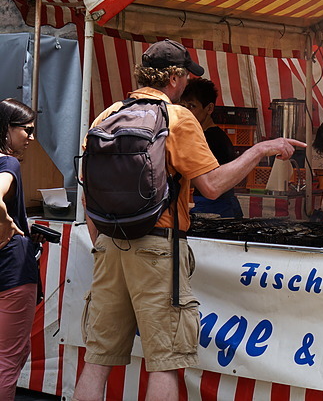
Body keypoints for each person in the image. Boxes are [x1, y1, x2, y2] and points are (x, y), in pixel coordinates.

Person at [73, 39, 304, 401]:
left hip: (109, 247)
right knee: (165, 360)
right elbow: (211, 186)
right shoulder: (178, 118)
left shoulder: (108, 114)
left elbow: (87, 188)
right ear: (176, 77)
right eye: (186, 76)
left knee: (98, 358)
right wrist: (260, 149)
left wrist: (101, 243)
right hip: (158, 248)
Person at [0, 98, 41, 400]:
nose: (31, 137)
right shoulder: (8, 162)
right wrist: (6, 223)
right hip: (12, 272)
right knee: (7, 360)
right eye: (26, 130)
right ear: (6, 129)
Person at [179, 78, 243, 218]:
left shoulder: (211, 138)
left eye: (192, 106)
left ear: (209, 108)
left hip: (216, 207)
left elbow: (204, 181)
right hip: (213, 203)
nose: (186, 112)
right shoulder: (207, 135)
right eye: (183, 106)